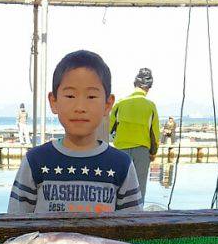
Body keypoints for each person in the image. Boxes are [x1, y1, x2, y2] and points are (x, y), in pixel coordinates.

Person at [8, 50, 142, 215]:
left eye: (91, 97)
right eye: (70, 96)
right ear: (53, 101)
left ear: (108, 104)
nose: (80, 107)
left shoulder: (121, 165)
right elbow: (14, 224)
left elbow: (133, 229)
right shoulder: (35, 161)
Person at [109, 67, 160, 200]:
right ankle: (138, 216)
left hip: (120, 151)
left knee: (117, 185)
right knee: (139, 188)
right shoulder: (150, 105)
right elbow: (155, 134)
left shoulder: (120, 103)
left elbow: (108, 128)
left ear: (134, 85)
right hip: (142, 151)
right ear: (148, 87)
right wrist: (153, 153)